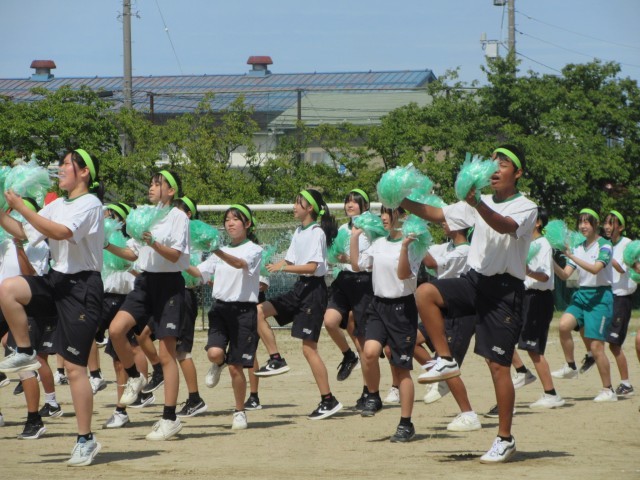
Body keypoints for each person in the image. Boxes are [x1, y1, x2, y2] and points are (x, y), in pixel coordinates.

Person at [400, 144, 537, 463]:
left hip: (505, 291)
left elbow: (504, 225)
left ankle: (505, 438)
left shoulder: (526, 206)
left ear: (518, 173)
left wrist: (477, 204)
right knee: (426, 293)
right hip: (475, 281)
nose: (496, 168)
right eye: (493, 162)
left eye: (504, 164)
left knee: (498, 366)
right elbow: (437, 214)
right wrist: (401, 200)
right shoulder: (480, 201)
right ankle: (446, 359)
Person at [0, 149, 105, 466]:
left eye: (66, 164)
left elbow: (61, 232)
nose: (60, 169)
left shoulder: (91, 203)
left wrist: (22, 207)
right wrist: (3, 210)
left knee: (73, 368)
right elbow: (25, 232)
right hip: (56, 280)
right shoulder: (57, 204)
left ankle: (86, 439)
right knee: (8, 289)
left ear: (84, 172)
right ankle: (25, 350)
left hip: (82, 287)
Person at [106, 170, 190, 441]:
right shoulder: (143, 214)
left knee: (167, 355)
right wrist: (106, 244)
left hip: (170, 285)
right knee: (116, 330)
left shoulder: (178, 216)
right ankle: (134, 376)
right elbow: (132, 253)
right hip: (145, 282)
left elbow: (175, 255)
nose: (151, 188)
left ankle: (169, 418)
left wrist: (152, 241)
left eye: (157, 184)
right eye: (151, 183)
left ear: (171, 190)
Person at [254, 189, 343, 420]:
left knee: (308, 348)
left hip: (314, 291)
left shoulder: (316, 232)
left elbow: (312, 267)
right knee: (258, 311)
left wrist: (283, 267)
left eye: (298, 203)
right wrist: (269, 263)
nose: (294, 206)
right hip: (300, 288)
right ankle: (276, 359)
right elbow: (290, 260)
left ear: (310, 208)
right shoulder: (299, 231)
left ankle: (328, 400)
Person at [188, 204, 262, 429]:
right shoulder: (218, 253)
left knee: (235, 367)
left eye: (235, 219)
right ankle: (218, 363)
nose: (230, 223)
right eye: (227, 219)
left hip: (243, 312)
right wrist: (177, 261)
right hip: (220, 310)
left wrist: (216, 250)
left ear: (247, 224)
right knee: (214, 353)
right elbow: (199, 273)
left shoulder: (253, 249)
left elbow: (239, 264)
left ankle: (239, 411)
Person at [351, 206, 421, 442]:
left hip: (402, 309)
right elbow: (356, 265)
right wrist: (354, 237)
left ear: (402, 216)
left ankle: (406, 423)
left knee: (401, 369)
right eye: (382, 212)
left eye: (389, 212)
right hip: (378, 306)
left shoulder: (414, 244)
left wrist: (404, 247)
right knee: (369, 352)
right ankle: (373, 395)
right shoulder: (379, 243)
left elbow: (403, 275)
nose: (383, 217)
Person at [418, 222, 482, 432]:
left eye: (448, 221)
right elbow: (427, 253)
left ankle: (468, 413)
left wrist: (417, 237)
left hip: (459, 310)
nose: (443, 224)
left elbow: (430, 261)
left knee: (449, 362)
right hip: (439, 307)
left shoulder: (465, 251)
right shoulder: (447, 247)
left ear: (459, 225)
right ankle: (438, 372)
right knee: (409, 340)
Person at [552, 209, 616, 402]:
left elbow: (596, 269)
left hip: (600, 297)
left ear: (595, 224)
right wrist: (550, 260)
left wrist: (571, 256)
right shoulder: (578, 247)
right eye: (580, 222)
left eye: (587, 222)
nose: (582, 226)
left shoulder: (605, 245)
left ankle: (608, 390)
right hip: (582, 295)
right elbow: (565, 275)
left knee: (596, 347)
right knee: (564, 325)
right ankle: (571, 366)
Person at [508, 207, 565, 410]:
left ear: (538, 222)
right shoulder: (525, 243)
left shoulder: (542, 245)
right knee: (504, 337)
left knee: (534, 349)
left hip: (537, 299)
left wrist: (528, 271)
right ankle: (522, 372)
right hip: (524, 297)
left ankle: (551, 394)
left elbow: (545, 276)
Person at [322, 189, 374, 406]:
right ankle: (348, 355)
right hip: (344, 280)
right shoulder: (343, 229)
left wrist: (354, 258)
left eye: (355, 202)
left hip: (364, 282)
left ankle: (368, 391)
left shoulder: (372, 227)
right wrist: (339, 256)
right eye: (347, 201)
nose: (350, 205)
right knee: (329, 321)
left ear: (365, 206)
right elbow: (335, 256)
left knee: (362, 341)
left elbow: (374, 255)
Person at [171, 196, 207, 418]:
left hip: (184, 294)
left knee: (181, 350)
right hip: (169, 293)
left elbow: (195, 273)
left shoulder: (194, 238)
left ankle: (195, 398)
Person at [602, 210, 636, 396]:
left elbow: (622, 269)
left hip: (622, 298)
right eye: (606, 223)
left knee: (614, 344)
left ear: (620, 227)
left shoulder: (627, 244)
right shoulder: (605, 243)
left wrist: (606, 257)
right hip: (608, 296)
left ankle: (626, 383)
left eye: (611, 223)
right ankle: (590, 356)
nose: (607, 226)